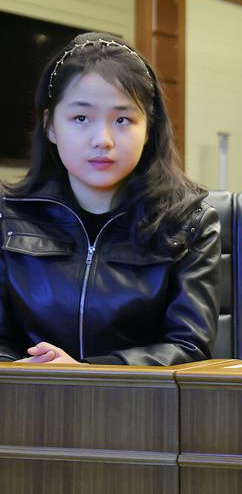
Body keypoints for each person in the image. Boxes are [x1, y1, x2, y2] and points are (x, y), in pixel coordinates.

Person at [0, 32, 220, 365]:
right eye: (81, 118)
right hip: (30, 406)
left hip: (140, 409)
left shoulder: (190, 223)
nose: (102, 140)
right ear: (51, 127)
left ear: (148, 129)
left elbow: (188, 348)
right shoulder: (7, 217)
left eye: (122, 120)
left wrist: (87, 372)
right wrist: (32, 376)